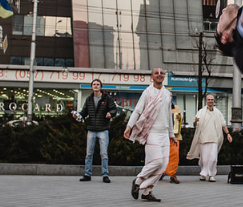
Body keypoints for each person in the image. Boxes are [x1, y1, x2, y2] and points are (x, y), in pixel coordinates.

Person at [124, 68, 177, 202]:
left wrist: (172, 134)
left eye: (161, 73)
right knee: (157, 161)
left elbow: (168, 116)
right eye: (156, 73)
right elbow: (137, 111)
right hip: (152, 132)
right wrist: (129, 126)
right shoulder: (147, 92)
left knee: (163, 165)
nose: (159, 75)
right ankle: (138, 180)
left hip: (165, 133)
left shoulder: (167, 94)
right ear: (151, 77)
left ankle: (147, 192)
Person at [75, 78, 117, 183]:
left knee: (104, 154)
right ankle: (87, 174)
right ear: (92, 86)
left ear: (100, 86)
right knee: (89, 153)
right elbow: (84, 112)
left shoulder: (107, 98)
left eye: (98, 84)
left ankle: (105, 174)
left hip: (103, 129)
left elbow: (114, 109)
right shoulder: (89, 99)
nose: (96, 86)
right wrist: (78, 116)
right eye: (94, 84)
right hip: (91, 129)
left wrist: (110, 113)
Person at [186, 94, 233, 182]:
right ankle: (203, 174)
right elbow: (195, 125)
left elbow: (223, 124)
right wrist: (195, 122)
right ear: (206, 101)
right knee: (204, 158)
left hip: (214, 138)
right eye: (209, 99)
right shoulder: (201, 111)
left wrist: (228, 134)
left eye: (212, 99)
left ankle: (211, 175)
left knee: (213, 158)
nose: (210, 101)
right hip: (203, 138)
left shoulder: (218, 112)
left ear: (214, 101)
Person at [162, 102, 183, 184]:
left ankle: (173, 175)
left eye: (171, 96)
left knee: (174, 154)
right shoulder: (161, 106)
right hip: (163, 135)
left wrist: (180, 117)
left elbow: (181, 119)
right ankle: (161, 172)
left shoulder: (176, 108)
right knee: (163, 155)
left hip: (175, 135)